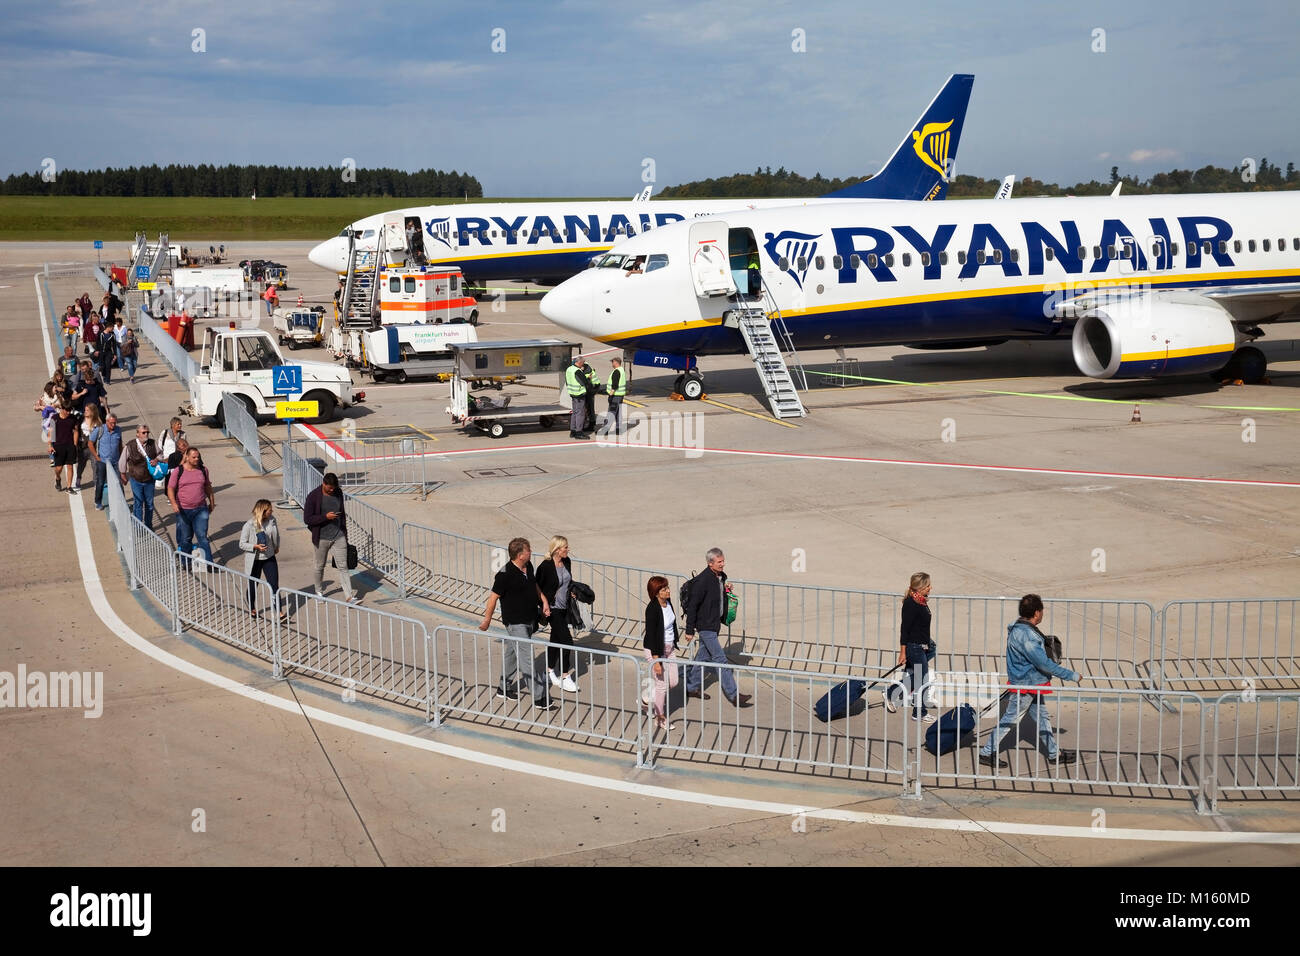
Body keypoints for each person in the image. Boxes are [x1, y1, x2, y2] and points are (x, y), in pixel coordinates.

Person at [978, 594, 1081, 769]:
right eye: (1041, 611)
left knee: (1042, 718)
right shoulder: (1027, 637)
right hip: (1026, 684)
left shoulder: (1018, 628)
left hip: (1031, 683)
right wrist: (1070, 675)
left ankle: (1054, 753)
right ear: (1036, 613)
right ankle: (986, 752)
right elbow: (1044, 663)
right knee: (1010, 719)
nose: (1042, 614)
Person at [479, 537, 552, 707]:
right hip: (515, 623)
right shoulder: (504, 575)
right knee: (527, 659)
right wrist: (487, 620)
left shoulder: (529, 567)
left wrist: (544, 601)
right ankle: (539, 698)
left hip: (529, 620)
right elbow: (492, 599)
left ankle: (503, 688)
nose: (531, 552)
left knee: (511, 654)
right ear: (520, 555)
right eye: (528, 550)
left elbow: (534, 585)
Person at [682, 548, 752, 707]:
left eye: (723, 561)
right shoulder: (702, 581)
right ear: (710, 563)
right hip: (706, 626)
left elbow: (716, 596)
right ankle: (734, 695)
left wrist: (726, 590)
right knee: (720, 659)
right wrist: (689, 629)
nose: (723, 564)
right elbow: (693, 606)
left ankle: (692, 687)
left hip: (714, 624)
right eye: (719, 562)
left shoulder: (720, 577)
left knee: (702, 658)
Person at [886, 572, 937, 722]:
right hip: (914, 646)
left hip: (923, 644)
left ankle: (892, 692)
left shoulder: (921, 601)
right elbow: (905, 629)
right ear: (920, 588)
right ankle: (918, 712)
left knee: (920, 673)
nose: (930, 588)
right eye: (928, 586)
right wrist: (903, 652)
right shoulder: (910, 604)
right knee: (922, 677)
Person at [304, 472, 358, 603]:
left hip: (338, 536)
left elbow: (342, 514)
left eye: (334, 488)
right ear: (324, 484)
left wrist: (344, 533)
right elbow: (307, 519)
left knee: (343, 567)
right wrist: (325, 517)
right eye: (330, 488)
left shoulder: (338, 493)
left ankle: (349, 596)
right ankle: (318, 592)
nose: (332, 490)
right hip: (321, 538)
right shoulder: (313, 497)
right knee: (319, 566)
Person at [536, 535, 579, 692]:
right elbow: (536, 586)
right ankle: (566, 676)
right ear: (557, 549)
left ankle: (548, 671)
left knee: (555, 638)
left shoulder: (566, 562)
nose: (568, 549)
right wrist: (544, 602)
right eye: (565, 547)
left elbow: (568, 581)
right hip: (552, 609)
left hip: (564, 607)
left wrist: (572, 591)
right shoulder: (545, 566)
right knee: (567, 641)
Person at [643, 575, 681, 732]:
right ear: (656, 593)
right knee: (662, 685)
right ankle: (660, 718)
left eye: (667, 587)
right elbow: (651, 636)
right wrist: (656, 662)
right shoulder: (652, 610)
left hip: (669, 649)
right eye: (663, 589)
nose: (667, 591)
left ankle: (646, 698)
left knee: (674, 681)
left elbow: (672, 625)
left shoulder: (668, 603)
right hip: (655, 651)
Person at [167, 446, 215, 569]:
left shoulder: (203, 470)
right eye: (193, 457)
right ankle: (186, 562)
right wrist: (173, 503)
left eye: (198, 457)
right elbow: (170, 488)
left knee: (202, 536)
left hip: (201, 509)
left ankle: (209, 563)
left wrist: (212, 502)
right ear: (187, 457)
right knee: (185, 538)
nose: (196, 459)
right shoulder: (178, 471)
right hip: (183, 510)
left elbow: (208, 487)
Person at [239, 499, 284, 620]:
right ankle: (252, 608)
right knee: (253, 584)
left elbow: (276, 535)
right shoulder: (249, 525)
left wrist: (276, 546)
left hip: (269, 557)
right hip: (255, 560)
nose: (272, 511)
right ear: (263, 511)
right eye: (270, 510)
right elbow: (242, 544)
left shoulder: (272, 521)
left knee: (274, 585)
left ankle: (279, 611)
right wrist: (255, 546)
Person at [119, 423, 161, 527]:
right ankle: (139, 527)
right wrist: (123, 475)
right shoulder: (130, 446)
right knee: (138, 504)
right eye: (143, 432)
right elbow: (122, 461)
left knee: (149, 504)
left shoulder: (153, 443)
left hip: (149, 480)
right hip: (136, 480)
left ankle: (148, 525)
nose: (146, 434)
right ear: (137, 434)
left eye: (147, 432)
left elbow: (161, 454)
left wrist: (156, 459)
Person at [87, 412, 122, 511]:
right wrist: (96, 457)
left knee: (117, 483)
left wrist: (121, 458)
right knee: (100, 482)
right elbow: (90, 443)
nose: (113, 425)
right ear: (106, 421)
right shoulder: (100, 429)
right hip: (102, 461)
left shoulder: (118, 430)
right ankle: (98, 502)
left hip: (115, 461)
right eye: (111, 423)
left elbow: (119, 444)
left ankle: (119, 502)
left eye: (115, 423)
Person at [49, 403, 80, 494]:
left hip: (70, 445)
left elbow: (76, 431)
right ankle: (58, 479)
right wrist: (50, 445)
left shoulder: (73, 418)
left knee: (70, 466)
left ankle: (69, 487)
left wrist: (74, 445)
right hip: (58, 445)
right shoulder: (54, 418)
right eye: (67, 410)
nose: (68, 412)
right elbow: (51, 432)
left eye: (70, 410)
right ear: (62, 409)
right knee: (59, 468)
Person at [565, 354, 588, 438]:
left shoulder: (569, 369)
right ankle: (579, 432)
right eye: (583, 363)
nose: (583, 364)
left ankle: (573, 431)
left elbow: (567, 381)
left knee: (574, 412)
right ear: (580, 362)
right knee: (580, 413)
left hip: (572, 394)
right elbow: (584, 382)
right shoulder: (577, 371)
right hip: (579, 394)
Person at [605, 356, 627, 434]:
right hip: (620, 395)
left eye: (612, 362)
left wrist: (610, 396)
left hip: (615, 396)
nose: (612, 363)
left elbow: (615, 385)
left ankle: (605, 430)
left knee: (611, 412)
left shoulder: (616, 371)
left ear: (616, 362)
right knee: (618, 413)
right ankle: (618, 429)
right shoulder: (622, 370)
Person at [96, 320, 118, 385]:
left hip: (108, 353)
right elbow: (97, 342)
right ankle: (104, 375)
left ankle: (108, 380)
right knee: (103, 366)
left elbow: (114, 345)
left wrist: (115, 354)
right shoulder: (100, 333)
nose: (113, 329)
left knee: (108, 366)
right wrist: (97, 350)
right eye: (112, 328)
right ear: (108, 327)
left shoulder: (113, 334)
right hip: (101, 352)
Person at [580, 358, 598, 434]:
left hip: (590, 391)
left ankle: (591, 424)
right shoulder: (587, 367)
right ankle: (591, 423)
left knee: (589, 408)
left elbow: (585, 380)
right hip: (591, 389)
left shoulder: (587, 370)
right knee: (589, 408)